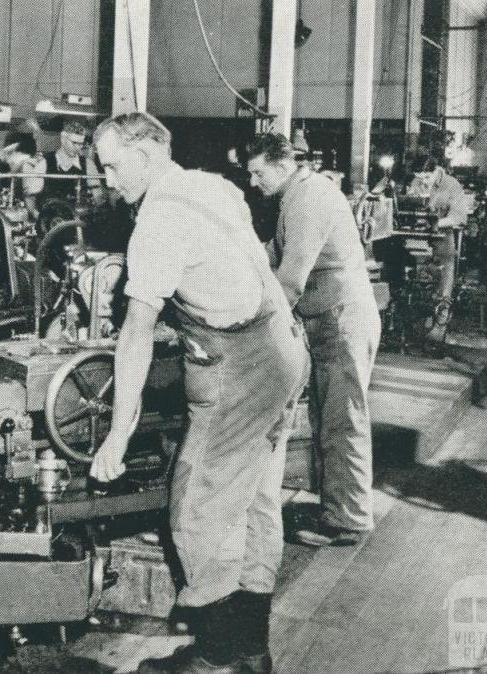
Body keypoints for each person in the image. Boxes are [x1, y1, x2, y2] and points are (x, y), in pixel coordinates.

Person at [91, 112, 308, 674]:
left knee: (197, 508)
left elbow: (135, 334)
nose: (106, 179)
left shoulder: (158, 222)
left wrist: (118, 434)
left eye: (111, 165)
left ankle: (216, 660)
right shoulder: (210, 184)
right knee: (256, 501)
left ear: (143, 154)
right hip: (283, 349)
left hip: (242, 369)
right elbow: (230, 270)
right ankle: (248, 653)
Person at [247, 133, 380, 548]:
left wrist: (249, 326)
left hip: (341, 321)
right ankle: (336, 508)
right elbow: (275, 251)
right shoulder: (296, 195)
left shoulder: (308, 197)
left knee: (343, 419)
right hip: (331, 320)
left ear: (282, 164)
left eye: (257, 172)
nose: (253, 182)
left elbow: (291, 278)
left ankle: (349, 521)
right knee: (330, 418)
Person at [405, 153, 473, 341]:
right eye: (419, 178)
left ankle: (441, 318)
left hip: (443, 233)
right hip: (419, 234)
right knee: (417, 272)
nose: (423, 182)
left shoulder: (452, 185)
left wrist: (435, 223)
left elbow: (459, 217)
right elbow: (411, 204)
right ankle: (421, 311)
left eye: (427, 177)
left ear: (436, 171)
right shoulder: (417, 182)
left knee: (445, 269)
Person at [0, 132, 46, 218]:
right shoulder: (15, 170)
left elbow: (32, 207)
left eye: (10, 153)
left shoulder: (30, 165)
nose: (8, 160)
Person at [40, 119, 88, 204]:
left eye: (81, 143)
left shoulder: (87, 164)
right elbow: (31, 196)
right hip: (50, 215)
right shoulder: (44, 161)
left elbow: (99, 197)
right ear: (63, 138)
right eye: (74, 143)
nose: (78, 147)